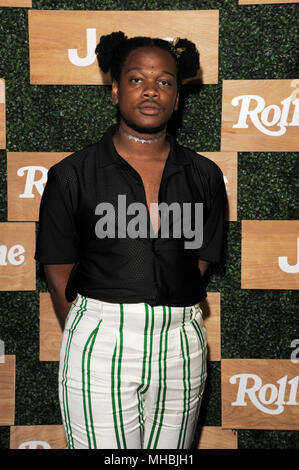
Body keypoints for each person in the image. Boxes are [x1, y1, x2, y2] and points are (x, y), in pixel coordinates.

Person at [34, 31, 227, 449]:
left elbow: (199, 260)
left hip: (182, 341)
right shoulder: (72, 174)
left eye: (165, 82)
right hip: (100, 338)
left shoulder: (205, 175)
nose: (151, 90)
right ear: (116, 89)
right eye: (137, 79)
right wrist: (95, 329)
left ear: (177, 97)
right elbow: (57, 264)